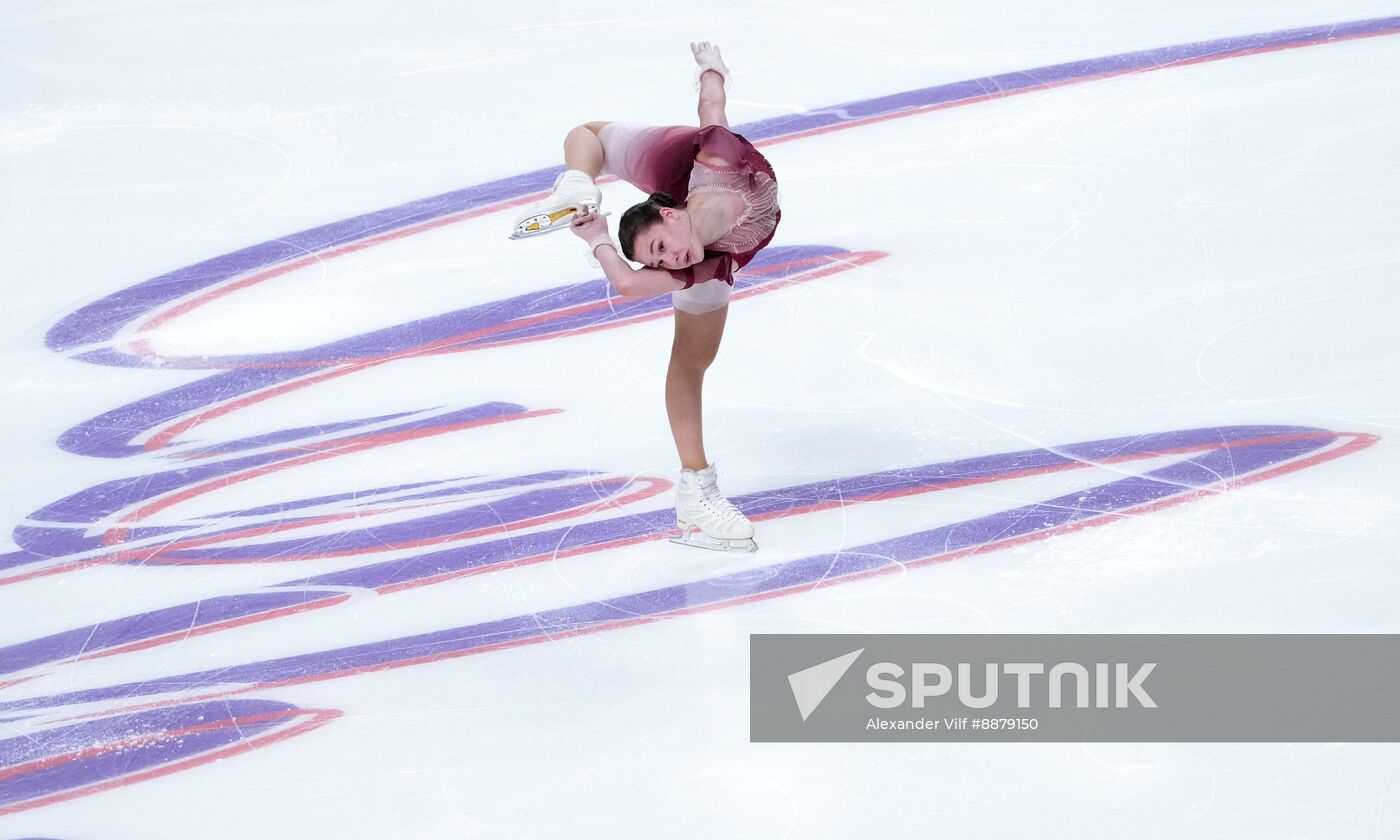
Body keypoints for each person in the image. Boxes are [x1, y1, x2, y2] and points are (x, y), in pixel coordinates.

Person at [509, 42, 780, 552]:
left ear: (671, 215)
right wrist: (597, 239)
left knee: (596, 133)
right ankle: (697, 491)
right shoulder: (701, 263)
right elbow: (631, 283)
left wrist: (712, 68)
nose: (668, 262)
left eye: (659, 248)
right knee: (690, 362)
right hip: (711, 241)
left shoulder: (715, 157)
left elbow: (713, 108)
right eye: (658, 261)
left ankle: (575, 182)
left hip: (681, 170)